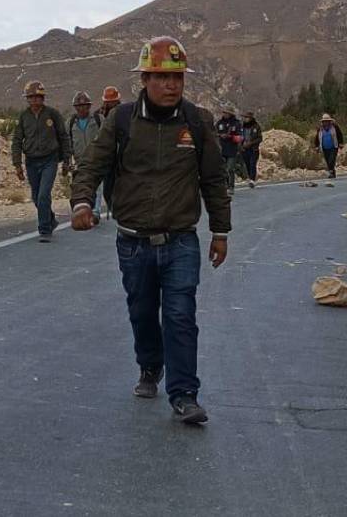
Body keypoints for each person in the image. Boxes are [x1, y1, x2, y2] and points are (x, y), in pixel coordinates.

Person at [70, 36, 231, 425]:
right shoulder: (121, 121)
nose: (171, 85)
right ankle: (149, 365)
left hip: (181, 240)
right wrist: (82, 202)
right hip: (133, 241)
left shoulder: (197, 121)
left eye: (176, 77)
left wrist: (221, 231)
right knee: (142, 312)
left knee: (180, 314)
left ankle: (185, 394)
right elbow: (92, 164)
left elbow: (213, 178)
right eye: (161, 77)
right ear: (144, 78)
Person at [12, 81, 71, 243]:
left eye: (38, 97)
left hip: (49, 160)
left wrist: (66, 160)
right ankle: (50, 219)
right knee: (36, 197)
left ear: (43, 98)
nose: (35, 100)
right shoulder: (23, 117)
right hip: (31, 161)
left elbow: (63, 137)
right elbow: (17, 140)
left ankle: (44, 229)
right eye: (31, 97)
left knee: (44, 195)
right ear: (27, 99)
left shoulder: (53, 114)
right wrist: (17, 164)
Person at [68, 91, 103, 221]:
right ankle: (81, 208)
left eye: (85, 106)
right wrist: (68, 161)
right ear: (75, 107)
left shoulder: (99, 120)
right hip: (79, 161)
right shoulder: (70, 123)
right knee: (79, 184)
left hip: (96, 159)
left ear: (89, 106)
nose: (82, 108)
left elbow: (106, 139)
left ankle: (95, 212)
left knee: (97, 186)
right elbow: (67, 142)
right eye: (79, 106)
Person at [100, 86, 123, 216]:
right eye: (109, 101)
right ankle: (112, 207)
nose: (111, 103)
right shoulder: (100, 115)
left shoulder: (124, 113)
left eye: (113, 101)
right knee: (107, 187)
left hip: (122, 155)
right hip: (108, 155)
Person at [216, 108, 244, 195]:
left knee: (230, 169)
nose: (224, 114)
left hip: (232, 150)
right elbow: (213, 133)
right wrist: (220, 135)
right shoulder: (219, 123)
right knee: (222, 169)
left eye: (226, 113)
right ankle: (225, 186)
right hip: (221, 149)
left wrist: (230, 137)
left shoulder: (236, 123)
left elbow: (240, 137)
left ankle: (231, 187)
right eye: (224, 112)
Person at [312, 113, 344, 179]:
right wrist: (317, 146)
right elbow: (317, 138)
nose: (326, 122)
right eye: (324, 121)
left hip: (333, 147)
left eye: (327, 121)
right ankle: (332, 172)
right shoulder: (320, 129)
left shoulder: (334, 127)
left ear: (329, 121)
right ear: (323, 122)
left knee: (331, 160)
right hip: (324, 147)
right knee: (327, 160)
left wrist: (340, 143)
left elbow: (339, 135)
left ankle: (331, 172)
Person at [240, 111, 263, 188]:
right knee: (247, 164)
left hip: (253, 149)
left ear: (250, 118)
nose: (245, 119)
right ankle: (250, 177)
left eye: (247, 117)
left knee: (252, 164)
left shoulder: (256, 127)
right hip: (244, 149)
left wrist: (251, 143)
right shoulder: (242, 127)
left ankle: (252, 180)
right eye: (244, 117)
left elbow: (260, 138)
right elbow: (240, 137)